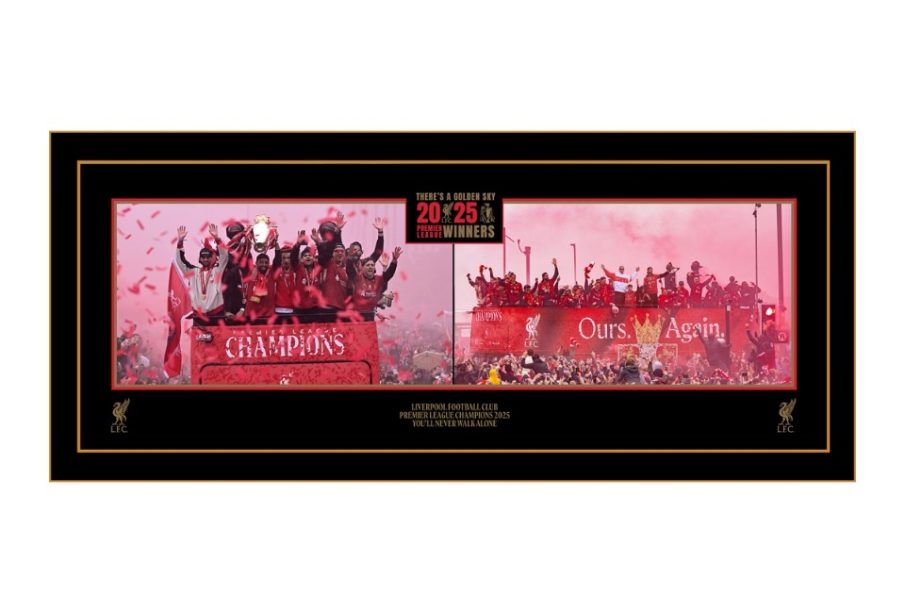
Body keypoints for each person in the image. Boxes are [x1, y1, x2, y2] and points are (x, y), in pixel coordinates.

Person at [175, 224, 229, 319]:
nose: (205, 259)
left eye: (208, 257)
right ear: (199, 259)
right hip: (198, 315)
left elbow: (224, 256)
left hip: (217, 313)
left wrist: (217, 238)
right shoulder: (193, 272)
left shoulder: (217, 271)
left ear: (212, 258)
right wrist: (180, 242)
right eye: (203, 257)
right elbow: (180, 261)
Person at [351, 247, 402, 311]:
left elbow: (388, 275)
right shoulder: (357, 278)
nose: (370, 267)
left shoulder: (378, 279)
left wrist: (394, 261)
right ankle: (384, 300)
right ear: (362, 267)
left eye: (372, 265)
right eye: (368, 265)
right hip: (356, 314)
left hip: (370, 314)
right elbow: (349, 268)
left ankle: (384, 300)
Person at [238, 253, 275, 321]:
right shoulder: (249, 272)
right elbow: (244, 257)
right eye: (261, 262)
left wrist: (276, 247)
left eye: (266, 262)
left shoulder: (272, 272)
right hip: (250, 315)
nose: (264, 264)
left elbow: (277, 261)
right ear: (256, 263)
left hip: (268, 315)